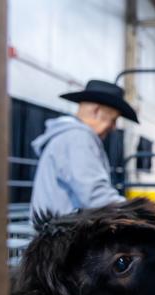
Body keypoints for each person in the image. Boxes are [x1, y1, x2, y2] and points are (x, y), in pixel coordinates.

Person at [30, 80, 139, 216]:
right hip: (64, 233)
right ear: (96, 111)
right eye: (113, 119)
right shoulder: (78, 138)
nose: (114, 127)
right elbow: (96, 196)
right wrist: (139, 214)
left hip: (57, 229)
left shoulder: (69, 136)